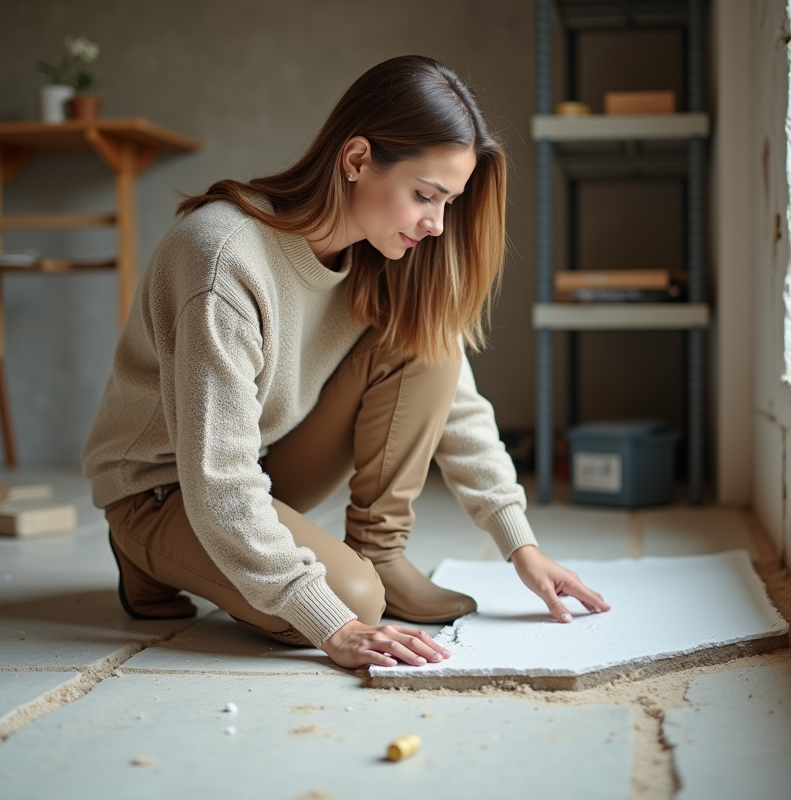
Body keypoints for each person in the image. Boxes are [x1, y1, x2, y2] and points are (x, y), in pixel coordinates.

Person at [82, 54, 609, 671]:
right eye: (424, 196)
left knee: (429, 334)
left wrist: (520, 544)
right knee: (350, 599)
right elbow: (219, 480)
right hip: (165, 487)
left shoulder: (381, 256)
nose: (437, 225)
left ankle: (379, 552)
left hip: (263, 459)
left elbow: (455, 402)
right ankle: (142, 555)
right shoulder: (223, 258)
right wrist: (332, 623)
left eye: (448, 203)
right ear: (356, 160)